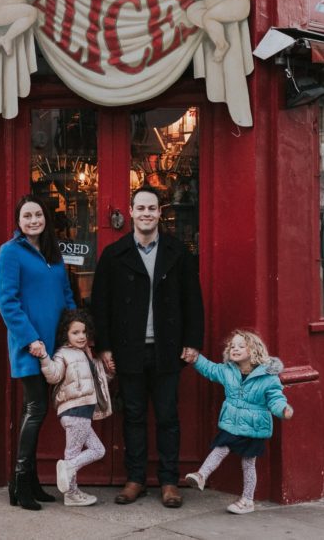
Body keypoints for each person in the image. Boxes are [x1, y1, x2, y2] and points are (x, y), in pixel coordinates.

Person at [92, 185, 204, 508]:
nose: (146, 214)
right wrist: (106, 347)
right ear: (131, 212)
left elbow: (192, 301)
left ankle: (169, 481)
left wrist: (193, 342)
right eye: (140, 208)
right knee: (134, 417)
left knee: (168, 416)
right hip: (129, 350)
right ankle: (135, 479)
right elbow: (101, 305)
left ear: (159, 212)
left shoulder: (177, 252)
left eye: (152, 208)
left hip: (167, 348)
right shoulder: (114, 255)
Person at [0, 194, 76, 511]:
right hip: (30, 345)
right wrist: (30, 339)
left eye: (38, 215)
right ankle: (19, 482)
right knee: (36, 408)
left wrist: (76, 332)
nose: (33, 221)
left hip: (55, 345)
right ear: (18, 221)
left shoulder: (53, 253)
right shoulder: (10, 252)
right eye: (27, 216)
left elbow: (67, 295)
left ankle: (28, 481)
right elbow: (8, 302)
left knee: (36, 411)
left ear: (46, 219)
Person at [183, 330, 293, 514]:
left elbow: (275, 398)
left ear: (254, 350)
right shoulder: (228, 371)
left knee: (248, 463)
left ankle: (248, 500)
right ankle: (201, 475)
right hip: (232, 422)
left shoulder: (268, 376)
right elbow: (210, 369)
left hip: (254, 426)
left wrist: (282, 409)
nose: (235, 349)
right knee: (220, 447)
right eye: (232, 346)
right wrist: (196, 359)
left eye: (241, 346)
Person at [40, 310, 113, 507]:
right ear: (66, 334)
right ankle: (70, 483)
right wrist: (44, 357)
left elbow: (95, 380)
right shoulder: (63, 354)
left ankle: (70, 486)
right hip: (74, 411)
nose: (81, 336)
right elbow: (54, 376)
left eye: (84, 332)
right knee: (84, 453)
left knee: (97, 450)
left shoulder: (87, 353)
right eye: (75, 332)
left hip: (83, 411)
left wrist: (108, 372)